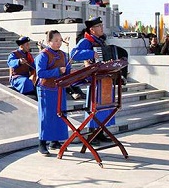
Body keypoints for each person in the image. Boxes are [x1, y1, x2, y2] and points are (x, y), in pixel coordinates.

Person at [70, 16, 115, 144]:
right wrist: (90, 54)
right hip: (94, 79)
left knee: (104, 106)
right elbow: (74, 54)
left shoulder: (101, 41)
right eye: (99, 26)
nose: (102, 28)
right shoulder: (86, 41)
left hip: (104, 78)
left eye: (102, 25)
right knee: (94, 107)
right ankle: (91, 134)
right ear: (92, 30)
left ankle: (100, 132)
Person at [36, 30, 71, 155]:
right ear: (48, 42)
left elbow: (66, 70)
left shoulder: (63, 54)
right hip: (46, 89)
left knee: (59, 115)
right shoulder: (43, 55)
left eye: (60, 40)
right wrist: (57, 71)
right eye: (55, 40)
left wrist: (68, 70)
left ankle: (55, 141)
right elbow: (40, 73)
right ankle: (42, 143)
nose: (58, 43)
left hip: (59, 88)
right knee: (46, 116)